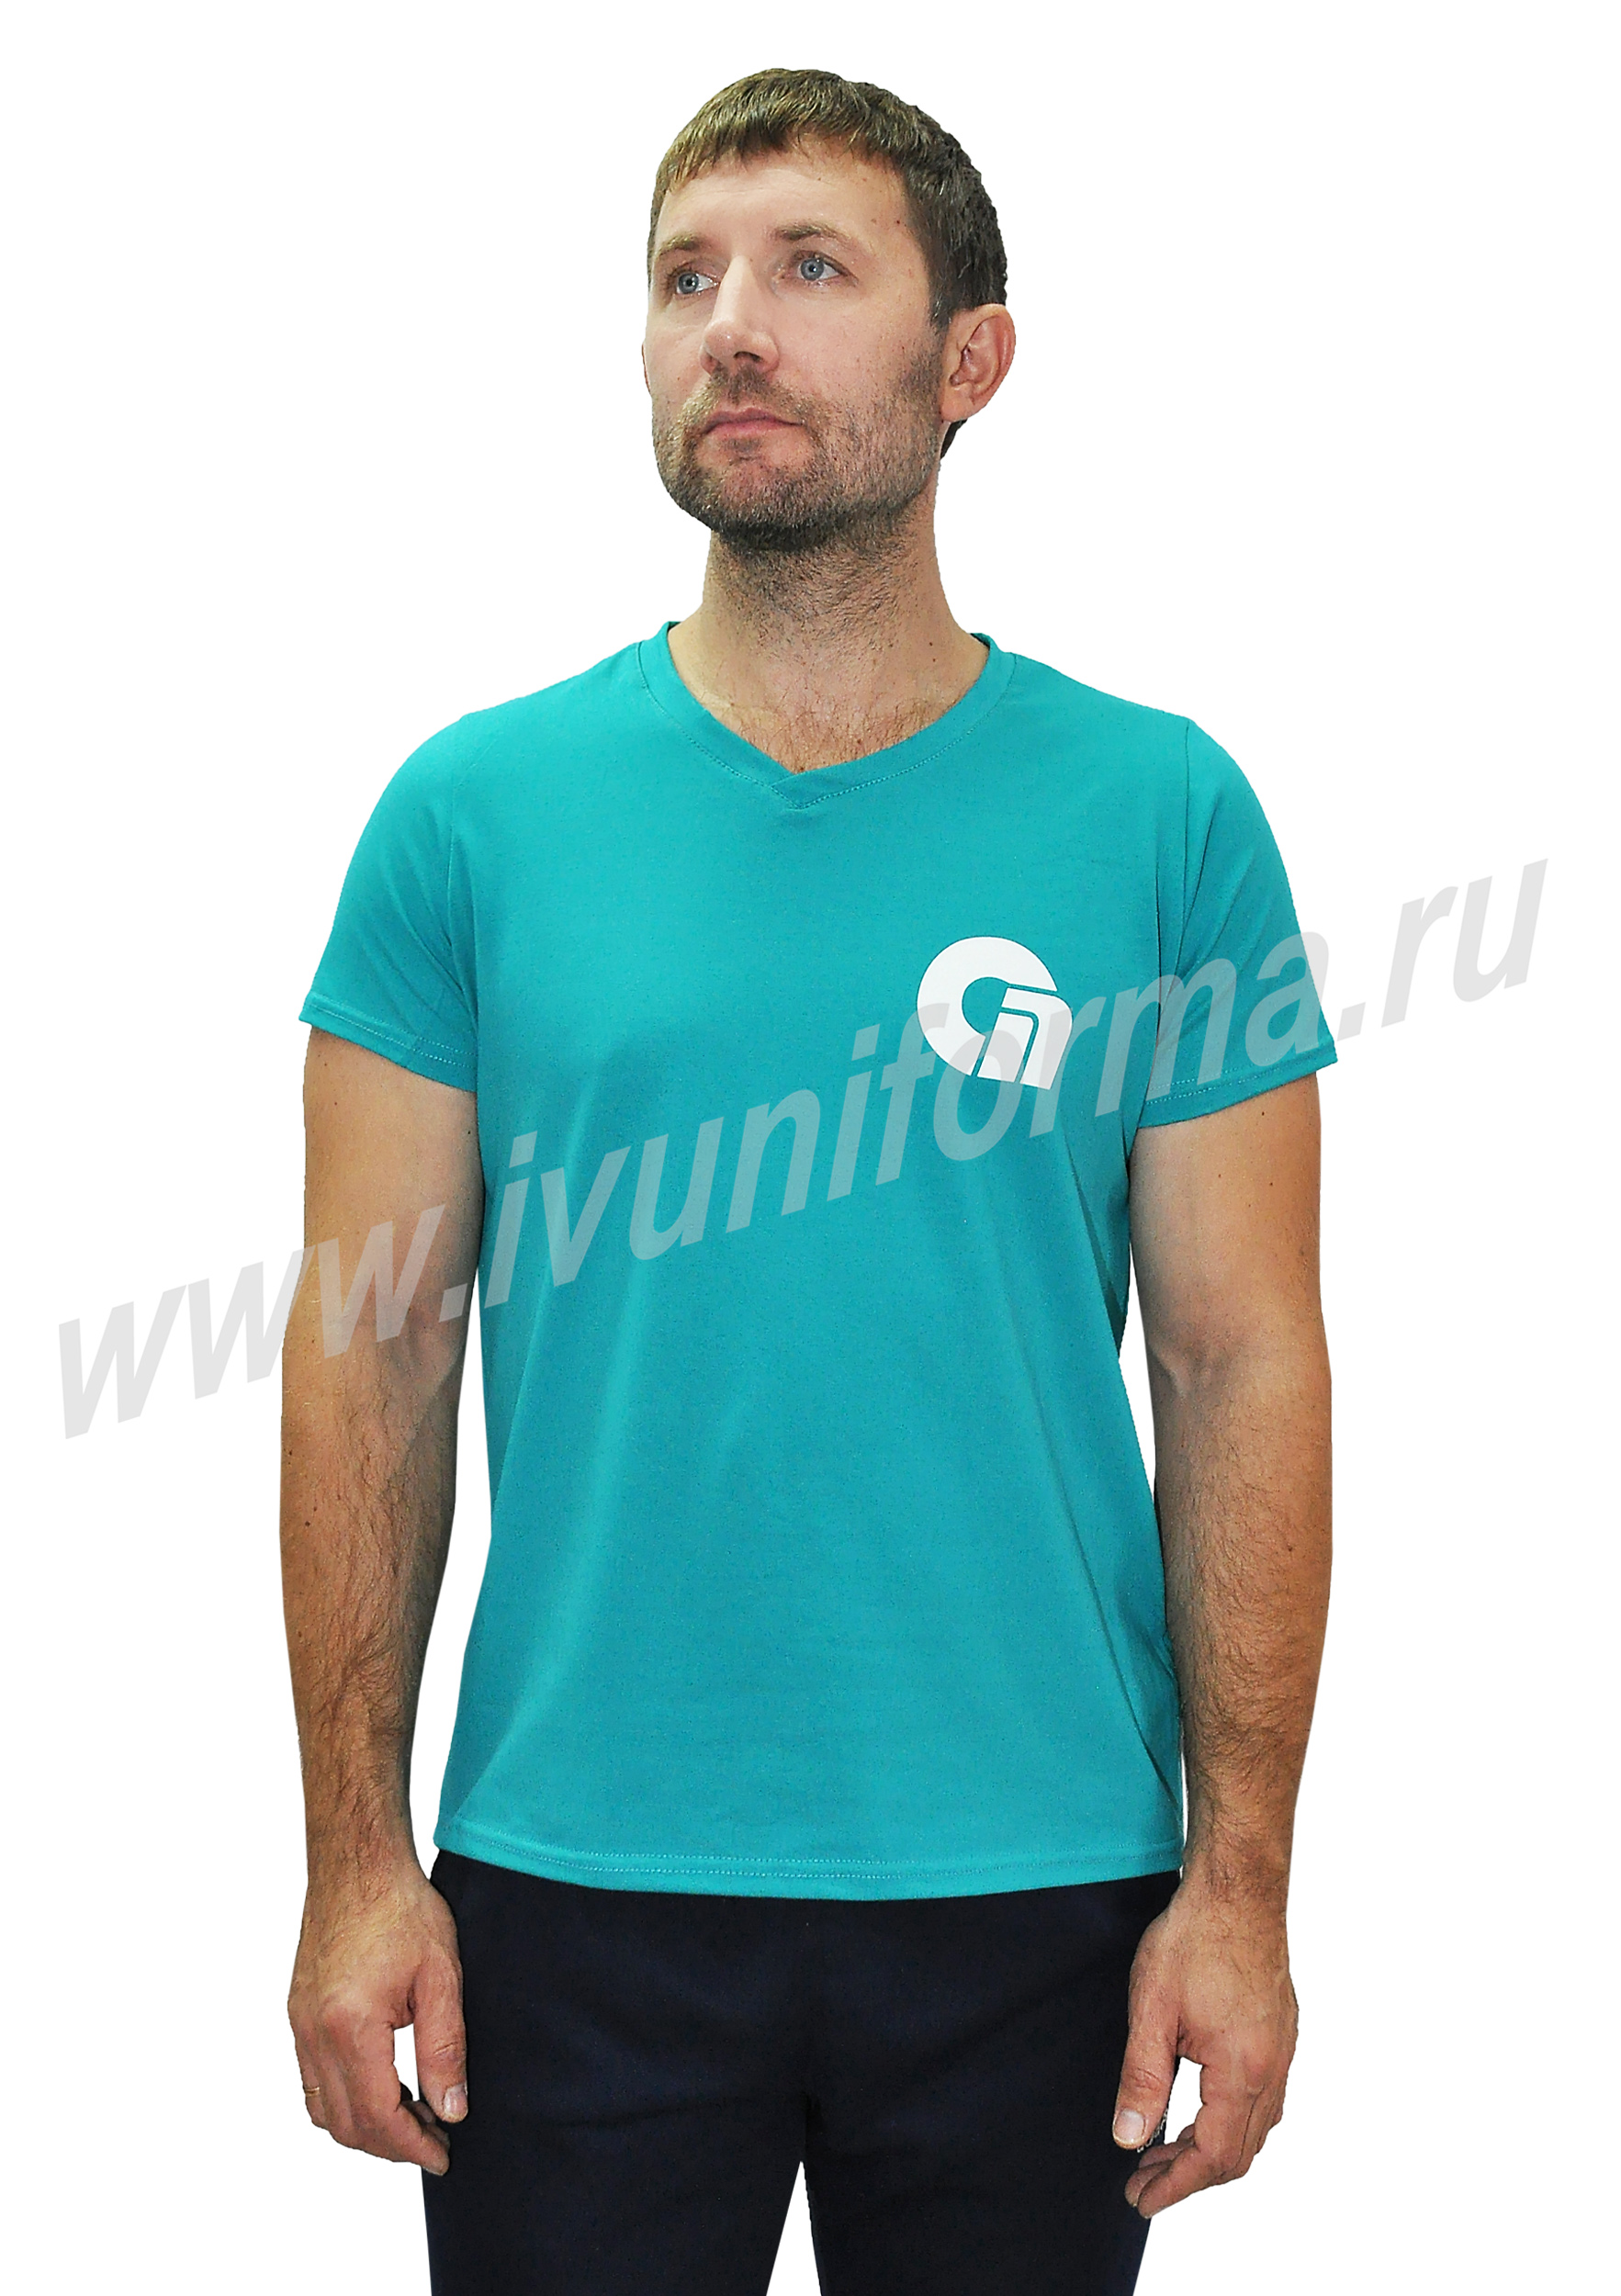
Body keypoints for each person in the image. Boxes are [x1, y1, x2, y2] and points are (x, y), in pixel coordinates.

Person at [281, 65, 1334, 2296]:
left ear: (971, 360)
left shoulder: (1162, 816)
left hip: (1041, 1885)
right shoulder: (469, 816)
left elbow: (1239, 1359)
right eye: (684, 278)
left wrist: (1237, 1888)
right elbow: (369, 1349)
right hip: (570, 1883)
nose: (730, 327)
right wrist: (354, 1858)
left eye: (811, 268)